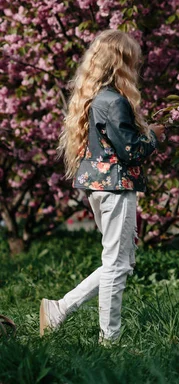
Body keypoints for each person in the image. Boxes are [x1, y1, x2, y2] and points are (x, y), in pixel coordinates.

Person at [40, 29, 164, 344]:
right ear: (121, 63)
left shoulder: (98, 98)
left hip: (102, 187)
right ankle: (109, 340)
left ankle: (59, 309)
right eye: (132, 62)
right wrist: (155, 136)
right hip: (116, 188)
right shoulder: (116, 102)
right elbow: (132, 151)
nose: (136, 68)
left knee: (120, 261)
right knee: (117, 265)